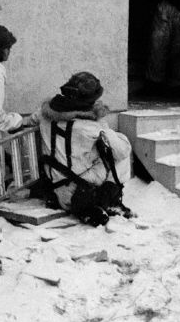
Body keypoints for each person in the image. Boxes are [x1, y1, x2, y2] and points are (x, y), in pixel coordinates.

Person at [36, 72, 134, 226]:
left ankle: (94, 206)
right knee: (121, 156)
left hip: (55, 184)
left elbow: (27, 121)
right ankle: (109, 200)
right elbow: (123, 150)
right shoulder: (89, 127)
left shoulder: (44, 116)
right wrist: (102, 124)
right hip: (78, 190)